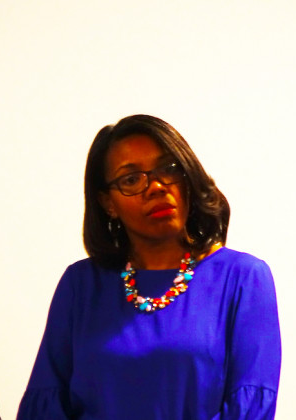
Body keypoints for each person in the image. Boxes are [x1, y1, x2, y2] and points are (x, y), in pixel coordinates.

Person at [18, 114, 282, 419]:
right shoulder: (81, 284)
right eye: (131, 180)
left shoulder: (242, 278)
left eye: (168, 169)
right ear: (108, 203)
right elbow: (44, 405)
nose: (156, 186)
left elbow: (250, 408)